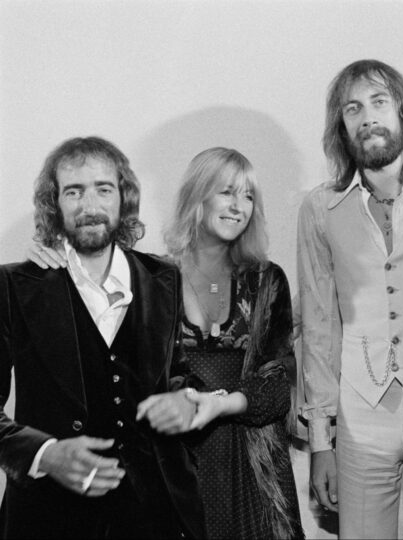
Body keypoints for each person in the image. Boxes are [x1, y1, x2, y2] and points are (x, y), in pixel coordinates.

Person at [27, 147, 305, 539]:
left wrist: (218, 403)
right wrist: (54, 259)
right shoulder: (149, 276)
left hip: (251, 466)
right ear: (198, 195)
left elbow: (279, 384)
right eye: (227, 191)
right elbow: (108, 357)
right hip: (177, 464)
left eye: (248, 196)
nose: (238, 206)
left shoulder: (266, 279)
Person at [0, 136, 206, 539]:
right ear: (54, 203)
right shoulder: (14, 286)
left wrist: (187, 399)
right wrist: (46, 454)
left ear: (123, 198)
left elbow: (178, 375)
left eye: (103, 189)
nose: (90, 206)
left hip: (155, 516)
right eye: (74, 191)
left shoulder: (165, 277)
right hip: (49, 518)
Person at [296, 58, 403, 539]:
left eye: (379, 102)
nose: (367, 117)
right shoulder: (320, 208)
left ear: (402, 112)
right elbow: (318, 324)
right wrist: (320, 440)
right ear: (341, 126)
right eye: (353, 109)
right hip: (359, 410)